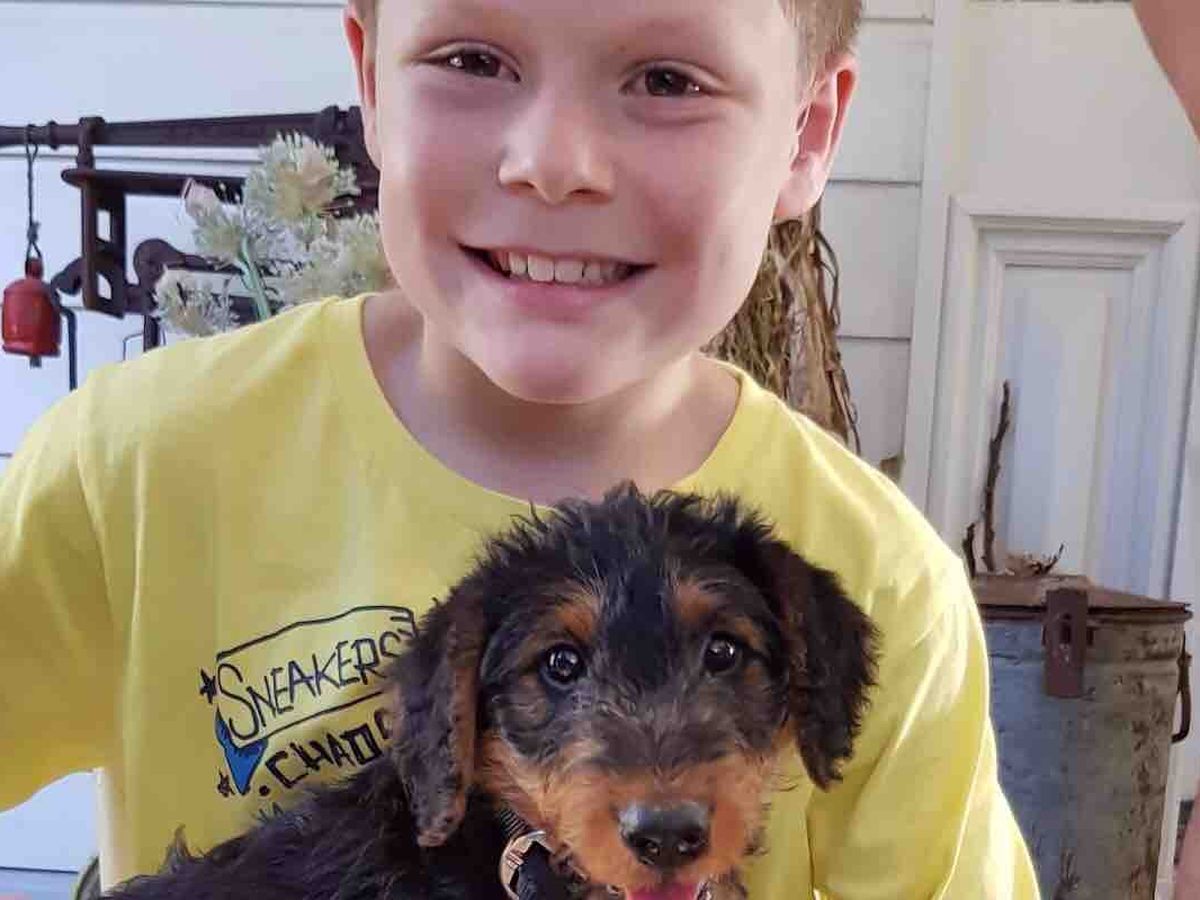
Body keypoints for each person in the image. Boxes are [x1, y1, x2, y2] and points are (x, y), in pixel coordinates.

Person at [0, 0, 1038, 895]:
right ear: (372, 82)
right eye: (473, 60)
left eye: (667, 80)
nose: (553, 164)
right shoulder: (131, 467)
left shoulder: (886, 580)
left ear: (807, 133)